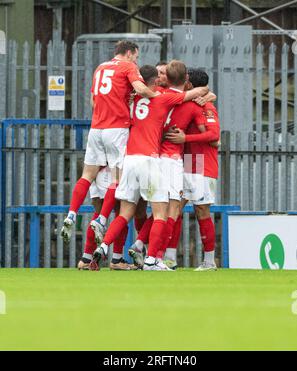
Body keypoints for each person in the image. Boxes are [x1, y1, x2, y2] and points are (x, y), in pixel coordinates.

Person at [89, 63, 209, 271]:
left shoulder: (132, 97)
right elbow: (198, 92)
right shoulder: (164, 97)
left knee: (125, 212)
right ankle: (152, 259)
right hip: (151, 160)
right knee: (162, 212)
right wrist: (205, 94)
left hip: (129, 160)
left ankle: (103, 246)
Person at [61, 40, 158, 243]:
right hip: (116, 129)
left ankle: (71, 213)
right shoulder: (128, 66)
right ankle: (102, 220)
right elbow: (141, 88)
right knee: (117, 178)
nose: (136, 60)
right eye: (136, 56)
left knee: (87, 175)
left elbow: (93, 101)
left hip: (97, 128)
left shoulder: (101, 67)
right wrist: (156, 96)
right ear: (130, 53)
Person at [165, 69, 220, 271]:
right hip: (188, 162)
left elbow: (214, 137)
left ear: (190, 85)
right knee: (175, 207)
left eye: (187, 81)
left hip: (203, 164)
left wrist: (185, 139)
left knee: (202, 210)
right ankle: (170, 258)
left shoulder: (206, 106)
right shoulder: (187, 102)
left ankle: (208, 261)